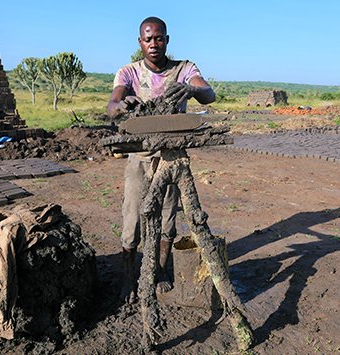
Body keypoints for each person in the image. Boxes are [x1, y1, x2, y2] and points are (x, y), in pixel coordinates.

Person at [107, 16, 215, 303]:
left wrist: (192, 90)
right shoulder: (129, 73)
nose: (154, 43)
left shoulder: (183, 69)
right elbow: (112, 104)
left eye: (159, 38)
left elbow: (209, 94)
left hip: (170, 157)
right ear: (140, 42)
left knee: (168, 218)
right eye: (148, 38)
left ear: (167, 40)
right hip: (140, 156)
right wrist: (121, 105)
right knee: (132, 219)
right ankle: (129, 278)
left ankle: (161, 271)